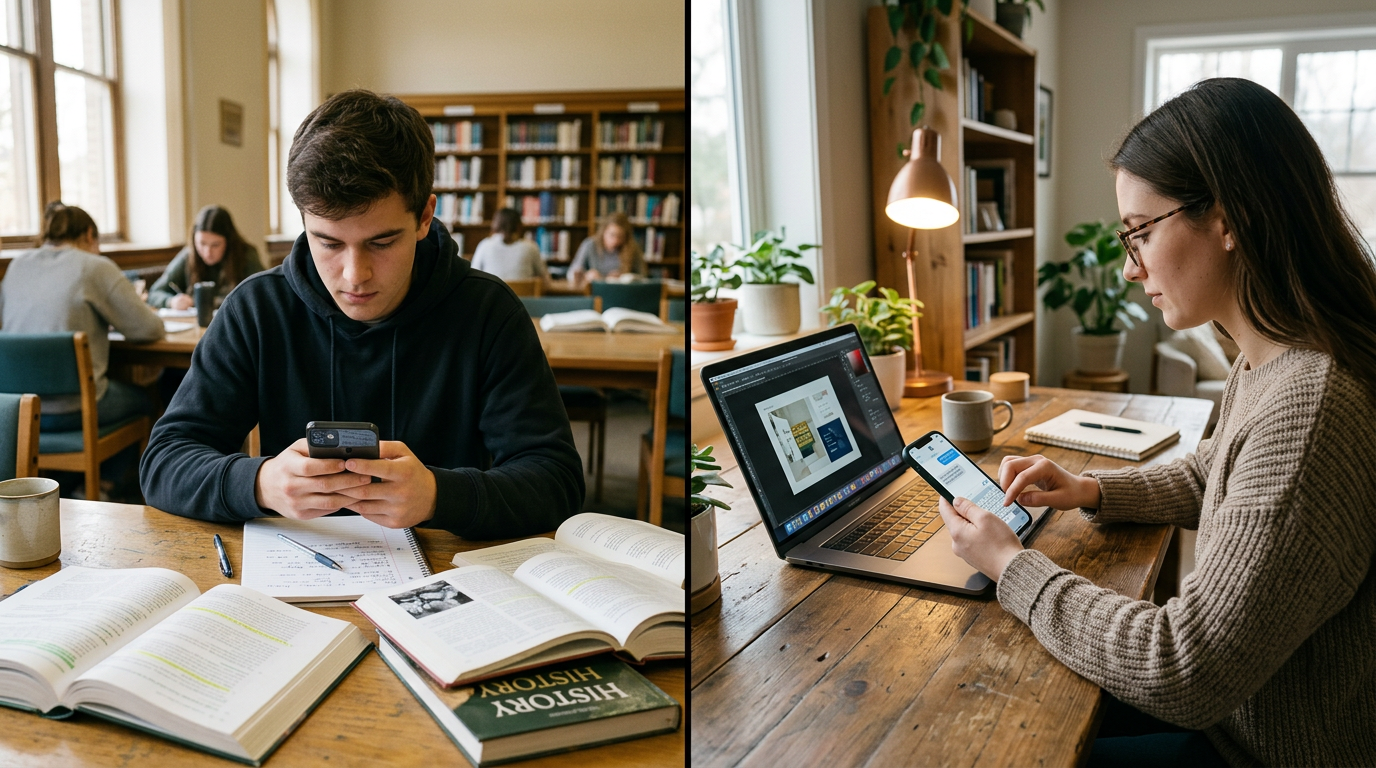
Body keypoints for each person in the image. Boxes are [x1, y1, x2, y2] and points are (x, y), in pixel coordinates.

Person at [934, 78, 1376, 767]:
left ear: (1228, 219)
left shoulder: (1312, 406)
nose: (1131, 266)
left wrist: (1010, 565)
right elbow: (1220, 470)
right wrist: (1093, 491)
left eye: (1139, 232)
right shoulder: (1273, 357)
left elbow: (1183, 669)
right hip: (1239, 714)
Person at [139, 89, 585, 539]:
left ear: (425, 216)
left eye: (382, 242)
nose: (354, 275)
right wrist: (259, 483)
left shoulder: (489, 313)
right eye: (329, 243)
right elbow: (163, 462)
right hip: (294, 574)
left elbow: (556, 482)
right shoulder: (256, 309)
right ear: (304, 222)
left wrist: (437, 494)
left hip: (449, 581)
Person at [0, 202, 164, 497]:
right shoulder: (94, 266)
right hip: (73, 411)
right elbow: (149, 329)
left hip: (18, 410)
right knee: (146, 398)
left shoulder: (16, 266)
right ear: (90, 235)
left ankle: (64, 485)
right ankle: (106, 485)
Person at [148, 205, 265, 310]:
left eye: (215, 245)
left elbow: (261, 294)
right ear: (194, 240)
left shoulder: (246, 255)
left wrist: (206, 302)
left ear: (229, 241)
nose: (207, 252)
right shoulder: (189, 254)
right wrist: (171, 301)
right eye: (202, 243)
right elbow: (155, 292)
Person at [470, 207, 547, 283]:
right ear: (519, 225)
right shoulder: (531, 247)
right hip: (521, 295)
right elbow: (546, 282)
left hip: (493, 295)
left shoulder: (484, 245)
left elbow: (472, 278)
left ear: (495, 224)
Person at [568, 211, 645, 287]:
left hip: (622, 293)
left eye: (620, 236)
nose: (615, 240)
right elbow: (571, 273)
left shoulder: (632, 248)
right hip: (595, 291)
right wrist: (586, 275)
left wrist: (623, 277)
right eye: (612, 235)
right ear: (603, 231)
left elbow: (643, 276)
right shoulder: (590, 245)